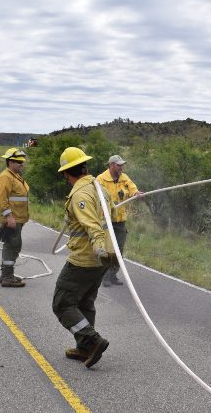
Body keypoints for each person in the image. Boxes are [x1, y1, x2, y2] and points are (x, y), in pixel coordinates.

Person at [53, 147, 116, 368]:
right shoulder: (100, 188)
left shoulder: (81, 194)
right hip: (102, 259)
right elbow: (112, 217)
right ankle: (84, 348)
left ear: (66, 173)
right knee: (84, 301)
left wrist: (99, 248)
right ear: (84, 167)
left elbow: (92, 226)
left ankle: (92, 340)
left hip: (86, 258)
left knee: (62, 303)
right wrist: (106, 253)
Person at [96, 154, 142, 287]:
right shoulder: (101, 179)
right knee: (108, 250)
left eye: (122, 165)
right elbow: (98, 197)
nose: (121, 167)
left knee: (119, 250)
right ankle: (104, 276)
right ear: (111, 165)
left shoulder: (124, 177)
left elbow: (131, 187)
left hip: (120, 221)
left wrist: (136, 193)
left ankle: (113, 275)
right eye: (118, 165)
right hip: (107, 221)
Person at [0, 148, 29, 288]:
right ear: (10, 162)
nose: (22, 163)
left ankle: (6, 275)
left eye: (22, 161)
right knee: (12, 245)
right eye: (18, 161)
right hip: (11, 218)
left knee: (14, 245)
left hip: (18, 218)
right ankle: (7, 277)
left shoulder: (15, 175)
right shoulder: (6, 177)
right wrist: (9, 216)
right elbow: (2, 199)